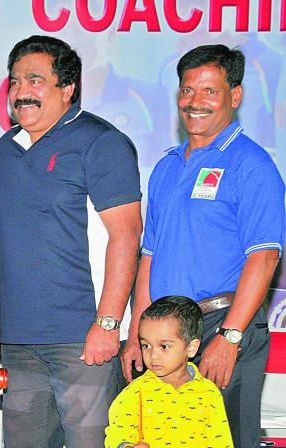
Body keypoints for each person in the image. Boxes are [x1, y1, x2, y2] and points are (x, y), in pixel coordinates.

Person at [0, 35, 143, 448]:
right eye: (14, 82)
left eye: (35, 80)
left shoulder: (101, 144)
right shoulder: (8, 146)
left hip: (83, 337)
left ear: (67, 88)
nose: (21, 92)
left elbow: (127, 235)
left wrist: (107, 324)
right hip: (18, 338)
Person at [122, 44, 285, 448]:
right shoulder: (166, 166)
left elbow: (264, 257)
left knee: (227, 440)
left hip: (223, 325)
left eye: (210, 91)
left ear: (235, 96)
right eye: (188, 90)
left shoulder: (252, 165)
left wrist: (230, 339)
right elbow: (149, 256)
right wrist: (136, 334)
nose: (195, 102)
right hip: (164, 333)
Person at [106, 296, 232, 448]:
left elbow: (221, 441)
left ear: (191, 348)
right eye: (146, 346)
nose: (153, 355)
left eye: (164, 346)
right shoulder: (135, 391)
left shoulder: (209, 393)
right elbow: (118, 433)